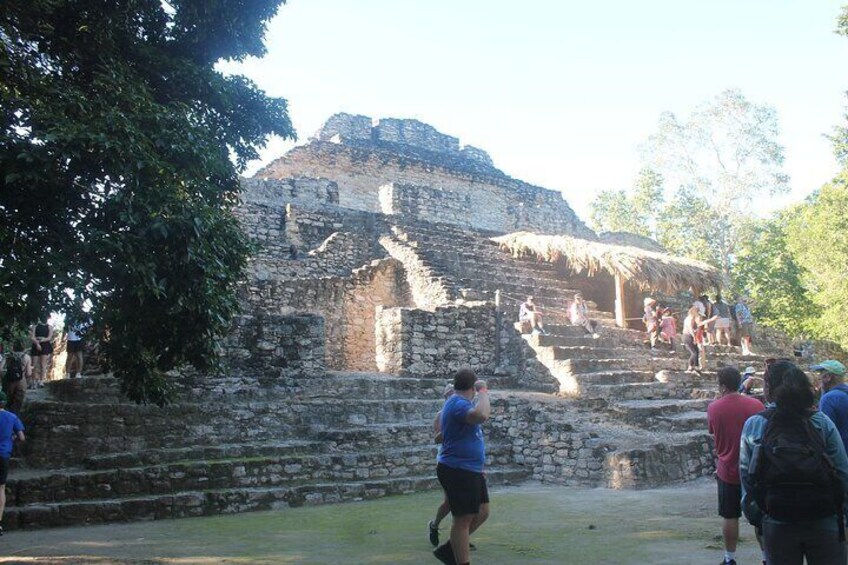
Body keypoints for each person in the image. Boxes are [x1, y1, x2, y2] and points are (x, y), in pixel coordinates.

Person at [741, 360, 848, 565]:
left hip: (777, 518)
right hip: (823, 517)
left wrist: (759, 516)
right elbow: (842, 471)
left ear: (768, 389)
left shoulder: (756, 424)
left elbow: (747, 475)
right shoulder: (821, 422)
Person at [707, 366, 765, 565]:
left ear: (722, 385)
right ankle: (767, 558)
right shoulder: (756, 405)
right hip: (754, 469)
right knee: (761, 516)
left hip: (727, 469)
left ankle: (729, 558)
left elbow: (715, 434)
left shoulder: (714, 408)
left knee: (729, 516)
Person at [433, 368, 491, 565]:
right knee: (463, 519)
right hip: (458, 470)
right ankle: (461, 561)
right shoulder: (458, 403)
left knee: (482, 512)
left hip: (471, 469)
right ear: (473, 388)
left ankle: (450, 550)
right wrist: (483, 391)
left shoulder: (458, 402)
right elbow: (482, 415)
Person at [0, 390, 25, 536]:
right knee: (1, 487)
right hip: (3, 454)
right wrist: (11, 438)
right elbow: (21, 437)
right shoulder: (12, 417)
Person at [813, 360, 848, 451]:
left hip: (841, 452)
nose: (819, 377)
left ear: (828, 377)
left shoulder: (829, 398)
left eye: (821, 373)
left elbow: (824, 431)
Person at [2, 340, 31, 415]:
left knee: (6, 403)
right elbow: (28, 373)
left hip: (9, 381)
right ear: (23, 348)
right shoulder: (27, 357)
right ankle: (15, 422)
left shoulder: (7, 356)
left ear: (13, 347)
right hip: (21, 382)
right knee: (17, 405)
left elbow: (0, 369)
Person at [29, 316, 53, 388]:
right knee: (34, 364)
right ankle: (33, 381)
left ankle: (41, 381)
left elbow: (49, 337)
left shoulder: (50, 327)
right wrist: (37, 343)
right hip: (36, 344)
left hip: (45, 345)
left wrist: (41, 340)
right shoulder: (35, 326)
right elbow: (32, 337)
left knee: (43, 364)